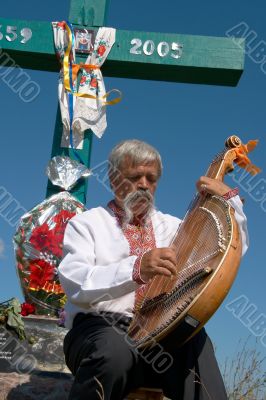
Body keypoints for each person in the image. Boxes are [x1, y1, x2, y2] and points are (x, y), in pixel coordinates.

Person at [58, 139, 248, 400]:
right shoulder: (87, 224)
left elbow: (223, 251)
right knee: (113, 351)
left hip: (161, 334)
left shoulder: (174, 228)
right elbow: (75, 282)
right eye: (136, 176)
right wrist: (136, 268)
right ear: (114, 179)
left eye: (152, 178)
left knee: (196, 344)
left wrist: (229, 202)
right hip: (99, 329)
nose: (145, 185)